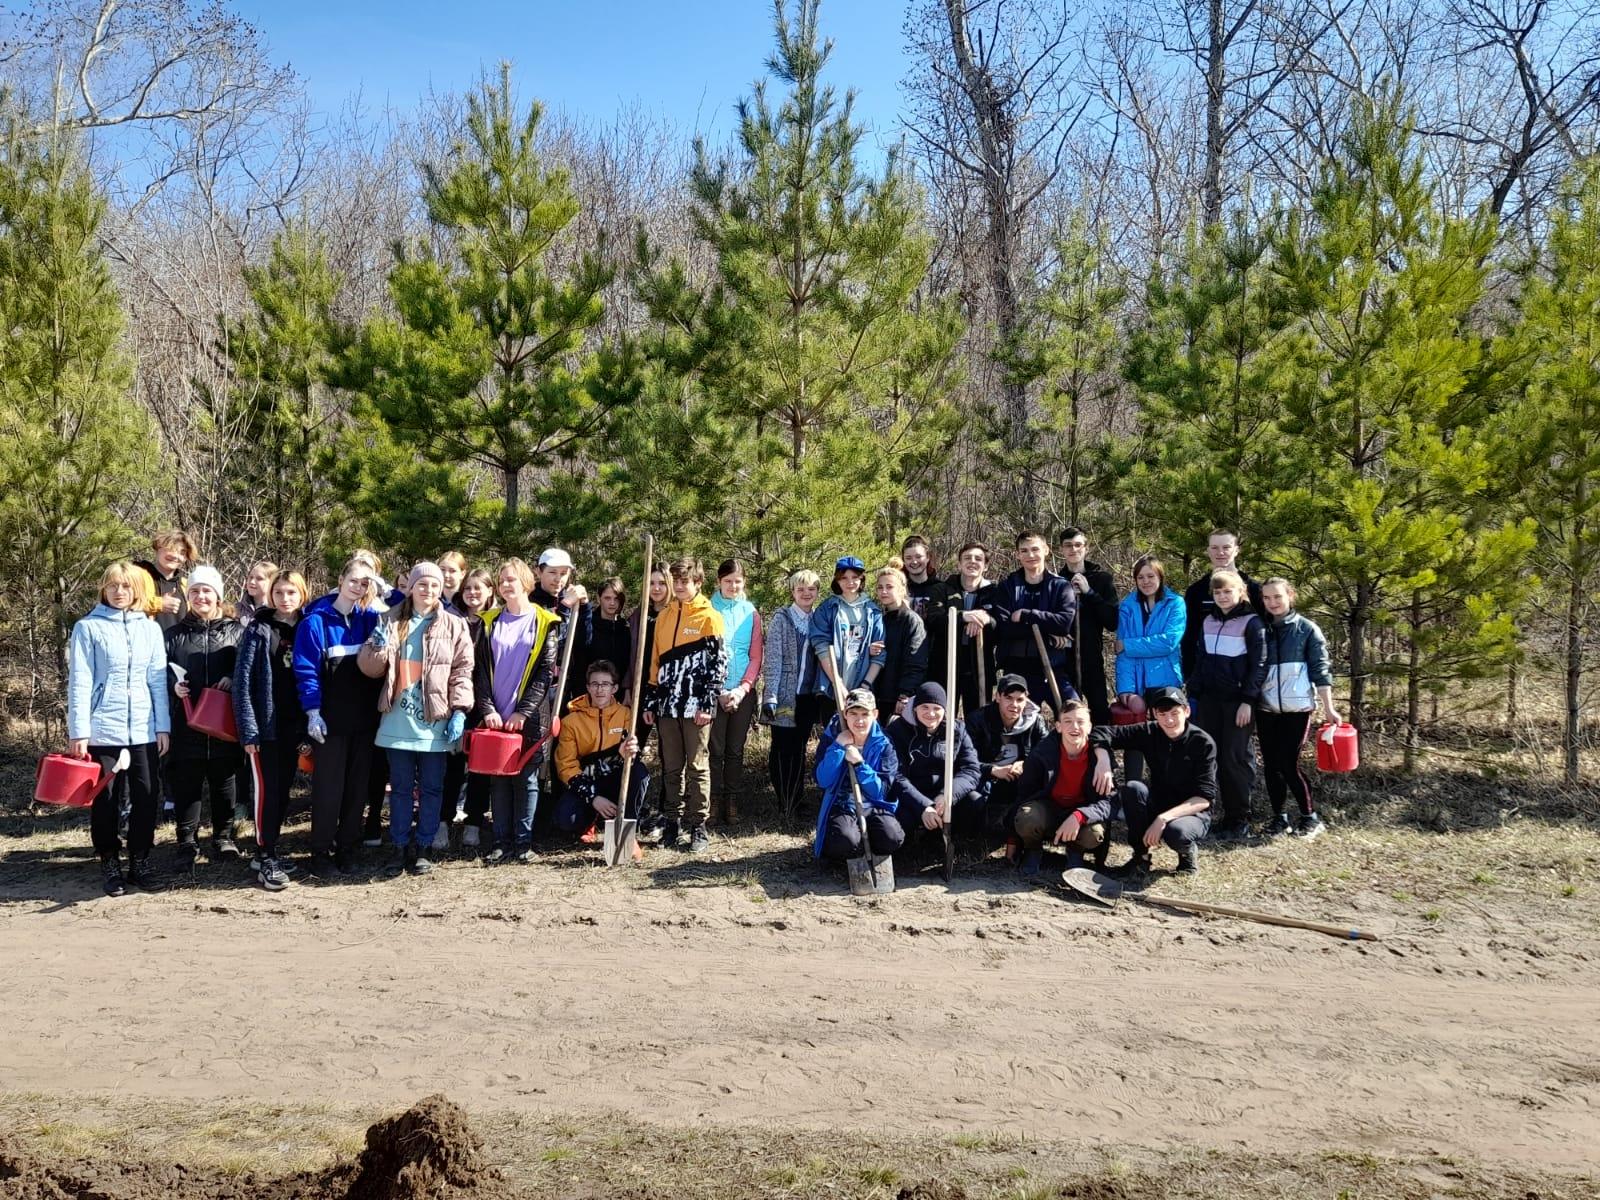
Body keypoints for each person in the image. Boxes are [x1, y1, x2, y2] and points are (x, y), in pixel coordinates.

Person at [358, 562, 475, 875]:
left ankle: (422, 846)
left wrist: (460, 711)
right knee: (399, 787)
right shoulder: (390, 618)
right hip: (397, 720)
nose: (429, 591)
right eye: (422, 584)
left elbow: (463, 671)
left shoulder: (454, 623)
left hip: (435, 720)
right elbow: (369, 669)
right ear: (410, 586)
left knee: (433, 787)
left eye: (435, 585)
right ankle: (398, 845)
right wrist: (378, 648)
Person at [66, 561, 171, 896]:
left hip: (143, 728)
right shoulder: (88, 628)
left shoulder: (150, 629)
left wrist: (163, 726)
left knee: (147, 795)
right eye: (113, 585)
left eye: (126, 586)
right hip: (103, 730)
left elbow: (157, 680)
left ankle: (139, 861)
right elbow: (80, 683)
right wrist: (79, 731)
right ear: (104, 589)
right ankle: (109, 861)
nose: (119, 592)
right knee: (107, 800)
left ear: (136, 590)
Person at [293, 557, 386, 875]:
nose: (359, 586)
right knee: (328, 789)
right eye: (355, 579)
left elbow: (398, 618)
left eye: (366, 583)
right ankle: (320, 852)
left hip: (364, 720)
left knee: (357, 788)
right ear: (341, 578)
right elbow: (305, 670)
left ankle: (348, 848)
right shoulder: (315, 622)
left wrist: (385, 593)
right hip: (330, 722)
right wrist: (312, 711)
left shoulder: (370, 619)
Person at [473, 558, 562, 864]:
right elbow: (480, 671)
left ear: (526, 582)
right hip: (495, 716)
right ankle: (501, 842)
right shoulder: (488, 622)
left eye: (511, 579)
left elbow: (544, 673)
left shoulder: (545, 621)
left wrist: (523, 712)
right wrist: (487, 708)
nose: (505, 584)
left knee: (526, 780)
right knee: (498, 780)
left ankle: (523, 845)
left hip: (530, 716)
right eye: (501, 580)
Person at [643, 557, 727, 853]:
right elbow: (655, 662)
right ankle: (672, 822)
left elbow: (719, 664)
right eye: (675, 582)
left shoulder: (709, 616)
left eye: (684, 582)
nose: (679, 587)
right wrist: (651, 699)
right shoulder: (664, 616)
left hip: (696, 706)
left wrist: (708, 703)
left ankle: (699, 825)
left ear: (697, 583)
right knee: (671, 767)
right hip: (667, 705)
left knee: (697, 766)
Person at [1088, 686, 1217, 877]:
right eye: (1162, 714)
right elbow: (1100, 732)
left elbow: (1204, 798)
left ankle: (1187, 856)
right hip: (1158, 802)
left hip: (1192, 812)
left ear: (1187, 711)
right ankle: (1140, 857)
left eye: (1175, 713)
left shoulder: (1203, 743)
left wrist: (1163, 818)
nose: (1169, 720)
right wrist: (1104, 761)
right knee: (1133, 788)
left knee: (1177, 831)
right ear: (1154, 714)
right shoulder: (1150, 731)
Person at [164, 565, 245, 870]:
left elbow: (248, 671)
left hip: (225, 724)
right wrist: (173, 687)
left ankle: (224, 838)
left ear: (218, 596)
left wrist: (231, 679)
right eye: (195, 591)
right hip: (186, 724)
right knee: (187, 783)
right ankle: (186, 842)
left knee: (225, 781)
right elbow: (158, 675)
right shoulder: (173, 635)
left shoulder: (237, 632)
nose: (200, 597)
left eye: (206, 591)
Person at [234, 570, 309, 890]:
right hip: (266, 727)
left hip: (296, 725)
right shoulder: (259, 629)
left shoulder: (308, 626)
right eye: (279, 592)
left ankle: (269, 848)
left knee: (282, 792)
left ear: (302, 594)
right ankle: (265, 857)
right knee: (267, 792)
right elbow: (242, 683)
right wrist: (249, 731)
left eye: (292, 592)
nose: (285, 599)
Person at [1258, 577, 1339, 840]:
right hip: (1266, 708)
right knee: (1271, 765)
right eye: (1267, 598)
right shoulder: (1260, 629)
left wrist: (1329, 708)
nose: (1272, 603)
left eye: (1277, 597)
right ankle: (1279, 818)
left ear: (1290, 596)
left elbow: (1321, 671)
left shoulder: (1307, 629)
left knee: (1288, 763)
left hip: (1298, 709)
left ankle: (1309, 817)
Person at [1189, 568, 1267, 841]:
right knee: (1210, 757)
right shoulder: (1208, 621)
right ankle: (1215, 815)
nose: (1222, 596)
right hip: (1209, 700)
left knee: (1235, 759)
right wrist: (1194, 695)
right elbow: (1200, 660)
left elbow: (1258, 666)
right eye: (1218, 592)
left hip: (1237, 703)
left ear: (1240, 592)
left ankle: (1240, 818)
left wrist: (1248, 701)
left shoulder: (1252, 623)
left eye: (1228, 591)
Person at [974, 531, 1078, 711]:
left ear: (1046, 550)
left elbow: (1064, 623)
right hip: (1016, 668)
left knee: (1073, 710)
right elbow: (1005, 629)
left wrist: (1026, 615)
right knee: (1016, 722)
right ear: (1017, 555)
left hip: (1053, 666)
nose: (1030, 555)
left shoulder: (1060, 586)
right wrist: (1048, 631)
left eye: (1035, 549)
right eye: (1024, 551)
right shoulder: (1007, 587)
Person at [1010, 699, 1116, 876]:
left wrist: (1080, 815)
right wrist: (1013, 839)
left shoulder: (1101, 758)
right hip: (1049, 809)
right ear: (1058, 726)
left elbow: (1109, 802)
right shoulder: (1042, 753)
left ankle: (1075, 853)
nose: (1075, 727)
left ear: (1090, 727)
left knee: (1095, 832)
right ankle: (1033, 851)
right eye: (1068, 721)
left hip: (1081, 813)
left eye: (1081, 722)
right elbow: (1024, 794)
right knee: (1027, 817)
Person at [552, 659, 647, 841]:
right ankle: (590, 821)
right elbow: (566, 767)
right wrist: (593, 797)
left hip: (615, 780)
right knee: (565, 819)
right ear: (587, 687)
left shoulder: (627, 715)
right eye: (595, 684)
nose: (600, 689)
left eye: (605, 684)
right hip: (587, 782)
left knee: (640, 772)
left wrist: (630, 752)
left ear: (615, 688)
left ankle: (626, 833)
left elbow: (633, 756)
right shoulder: (571, 722)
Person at [1114, 555, 1186, 782]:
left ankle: (1167, 788)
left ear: (1160, 577)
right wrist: (1126, 691)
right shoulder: (1127, 605)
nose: (1146, 581)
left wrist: (1130, 644)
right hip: (1135, 682)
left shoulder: (1175, 603)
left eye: (1151, 576)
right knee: (1135, 739)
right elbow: (1121, 651)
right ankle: (1132, 788)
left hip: (1165, 681)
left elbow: (1168, 642)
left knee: (1166, 737)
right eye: (1140, 577)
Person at [812, 687, 903, 863]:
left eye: (865, 714)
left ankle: (870, 849)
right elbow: (822, 780)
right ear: (845, 714)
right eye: (853, 713)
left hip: (875, 806)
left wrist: (859, 763)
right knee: (845, 840)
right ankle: (852, 851)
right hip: (843, 806)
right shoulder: (832, 737)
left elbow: (880, 792)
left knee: (891, 837)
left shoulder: (884, 744)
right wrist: (838, 747)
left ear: (875, 714)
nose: (859, 720)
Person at [886, 681, 982, 846]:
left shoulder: (956, 729)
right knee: (901, 821)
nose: (931, 714)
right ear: (915, 707)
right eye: (925, 707)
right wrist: (924, 806)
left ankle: (949, 842)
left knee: (975, 802)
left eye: (936, 708)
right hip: (911, 795)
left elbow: (971, 769)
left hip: (944, 794)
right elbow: (896, 775)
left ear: (944, 710)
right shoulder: (897, 730)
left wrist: (948, 795)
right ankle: (911, 843)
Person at [441, 567, 496, 850]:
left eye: (479, 588)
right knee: (450, 767)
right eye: (468, 589)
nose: (473, 594)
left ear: (490, 591)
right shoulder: (450, 619)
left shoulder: (497, 622)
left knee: (480, 769)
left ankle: (473, 822)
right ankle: (443, 821)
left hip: (486, 704)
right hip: (453, 703)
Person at [761, 568, 822, 817]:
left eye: (811, 589)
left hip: (808, 697)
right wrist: (771, 696)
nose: (806, 593)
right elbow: (773, 659)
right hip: (784, 695)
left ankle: (796, 798)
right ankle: (783, 799)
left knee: (799, 747)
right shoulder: (782, 619)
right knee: (781, 747)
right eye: (800, 589)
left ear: (817, 591)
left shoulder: (819, 619)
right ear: (792, 591)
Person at [707, 559, 762, 825]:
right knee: (714, 749)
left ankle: (732, 800)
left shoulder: (751, 612)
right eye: (728, 581)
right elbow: (703, 656)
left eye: (737, 581)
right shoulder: (707, 609)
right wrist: (718, 691)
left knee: (735, 750)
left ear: (744, 583)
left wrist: (742, 689)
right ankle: (714, 799)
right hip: (713, 692)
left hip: (743, 692)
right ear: (719, 581)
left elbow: (755, 656)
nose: (733, 586)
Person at [965, 673, 1048, 834]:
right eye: (1009, 698)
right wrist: (992, 770)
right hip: (987, 779)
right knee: (972, 799)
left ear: (1027, 699)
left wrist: (1026, 764)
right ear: (998, 697)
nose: (1014, 705)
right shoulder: (977, 720)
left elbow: (1047, 754)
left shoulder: (1036, 721)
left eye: (1020, 700)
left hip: (1020, 779)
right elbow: (966, 761)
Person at [807, 556, 885, 725]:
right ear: (837, 580)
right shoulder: (828, 608)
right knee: (833, 738)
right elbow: (821, 647)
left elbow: (880, 654)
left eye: (855, 577)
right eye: (844, 578)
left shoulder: (873, 611)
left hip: (862, 688)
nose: (850, 582)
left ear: (861, 579)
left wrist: (864, 686)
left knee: (859, 738)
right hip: (831, 688)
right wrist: (839, 686)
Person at [1180, 529, 1265, 682]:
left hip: (1244, 679)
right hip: (1206, 680)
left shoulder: (1254, 589)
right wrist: (1190, 678)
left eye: (1226, 547)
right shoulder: (1196, 591)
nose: (1220, 552)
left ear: (1236, 550)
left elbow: (1265, 636)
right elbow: (1189, 638)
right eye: (1215, 547)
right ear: (1208, 551)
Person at [1056, 528, 1119, 725]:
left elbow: (1112, 621)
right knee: (1068, 712)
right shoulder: (1055, 581)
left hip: (1092, 656)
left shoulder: (1102, 579)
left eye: (1078, 545)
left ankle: (1101, 752)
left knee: (1099, 710)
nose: (1073, 550)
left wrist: (1089, 592)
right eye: (1068, 545)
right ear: (1061, 549)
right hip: (1063, 659)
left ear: (1086, 548)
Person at [871, 562, 929, 721]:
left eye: (889, 587)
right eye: (880, 587)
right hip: (877, 696)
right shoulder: (878, 619)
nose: (883, 591)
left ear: (902, 589)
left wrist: (905, 695)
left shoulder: (911, 620)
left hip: (898, 699)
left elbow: (916, 662)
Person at [947, 542, 998, 717]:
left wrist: (986, 619)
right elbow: (936, 619)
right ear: (959, 563)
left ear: (985, 565)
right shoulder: (945, 589)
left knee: (978, 717)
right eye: (967, 558)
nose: (972, 562)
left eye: (978, 558)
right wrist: (964, 616)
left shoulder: (995, 592)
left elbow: (1001, 625)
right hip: (948, 663)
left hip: (979, 665)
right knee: (946, 716)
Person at [575, 577, 633, 700]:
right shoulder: (587, 623)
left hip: (617, 698)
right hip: (588, 695)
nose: (612, 603)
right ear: (599, 598)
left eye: (616, 599)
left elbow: (628, 665)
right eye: (607, 598)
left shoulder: (626, 629)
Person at [135, 529, 198, 632]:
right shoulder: (137, 575)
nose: (175, 556)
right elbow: (123, 603)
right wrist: (159, 604)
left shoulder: (186, 584)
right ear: (158, 548)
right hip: (146, 645)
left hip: (179, 646)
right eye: (171, 549)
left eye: (182, 552)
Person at [237, 560, 278, 627]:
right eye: (251, 577)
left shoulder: (277, 611)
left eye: (259, 579)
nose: (252, 582)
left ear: (272, 582)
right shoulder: (236, 609)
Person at [438, 550, 468, 614]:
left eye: (452, 571)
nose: (446, 575)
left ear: (463, 574)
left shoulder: (468, 600)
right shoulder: (432, 598)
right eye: (442, 569)